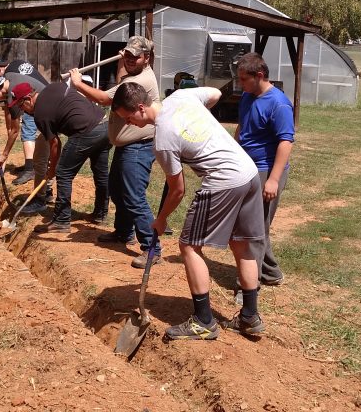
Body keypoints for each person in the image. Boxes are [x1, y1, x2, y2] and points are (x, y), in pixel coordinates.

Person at [111, 81, 266, 340]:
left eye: (128, 118)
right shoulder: (182, 96)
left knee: (189, 246)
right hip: (248, 173)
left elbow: (177, 190)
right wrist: (197, 123)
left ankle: (203, 321)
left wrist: (161, 220)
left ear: (140, 108)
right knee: (241, 244)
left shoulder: (163, 138)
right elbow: (215, 93)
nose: (129, 123)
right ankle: (250, 316)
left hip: (224, 179)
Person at [69, 36, 161, 269]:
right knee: (118, 192)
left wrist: (78, 84)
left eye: (135, 56)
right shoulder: (132, 75)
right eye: (126, 55)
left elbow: (104, 99)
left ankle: (152, 248)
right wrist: (123, 61)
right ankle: (123, 232)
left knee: (134, 197)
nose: (130, 59)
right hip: (127, 146)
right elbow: (122, 78)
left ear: (147, 58)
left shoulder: (141, 80)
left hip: (138, 147)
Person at [11, 81, 111, 234]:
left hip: (85, 131)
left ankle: (61, 220)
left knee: (64, 173)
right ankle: (100, 214)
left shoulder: (40, 114)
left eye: (21, 106)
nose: (22, 111)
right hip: (104, 125)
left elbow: (55, 144)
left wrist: (52, 169)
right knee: (101, 174)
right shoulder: (53, 87)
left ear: (28, 99)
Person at [234, 52, 293, 288]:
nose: (240, 84)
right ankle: (271, 273)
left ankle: (249, 284)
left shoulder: (279, 104)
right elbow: (242, 127)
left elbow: (285, 142)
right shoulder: (248, 96)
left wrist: (273, 180)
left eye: (243, 79)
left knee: (253, 228)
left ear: (259, 75)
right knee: (256, 225)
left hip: (266, 170)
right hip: (246, 167)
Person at [0, 57, 53, 219]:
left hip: (50, 113)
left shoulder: (13, 92)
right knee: (43, 155)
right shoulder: (12, 72)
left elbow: (14, 130)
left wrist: (4, 154)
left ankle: (41, 198)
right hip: (46, 109)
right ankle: (46, 192)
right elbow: (10, 120)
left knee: (42, 157)